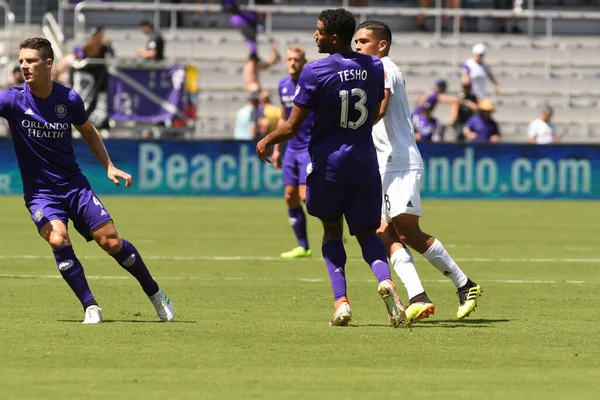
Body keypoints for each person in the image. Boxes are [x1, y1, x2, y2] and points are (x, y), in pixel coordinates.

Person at [0, 38, 174, 324]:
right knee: (58, 238)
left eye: (30, 60)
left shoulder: (68, 99)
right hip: (41, 194)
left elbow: (89, 132)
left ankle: (154, 292)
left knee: (110, 241)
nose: (24, 66)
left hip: (74, 187)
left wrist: (108, 165)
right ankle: (90, 306)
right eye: (21, 61)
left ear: (47, 63)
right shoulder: (12, 100)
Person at [257, 9, 404, 328]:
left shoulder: (315, 71)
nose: (315, 35)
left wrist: (267, 138)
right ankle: (386, 282)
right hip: (365, 164)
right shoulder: (375, 66)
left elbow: (293, 126)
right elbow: (378, 106)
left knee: (332, 231)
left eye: (319, 31)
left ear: (333, 38)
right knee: (367, 233)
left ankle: (342, 303)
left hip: (328, 166)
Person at [354, 20, 482, 322]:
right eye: (356, 41)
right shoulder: (374, 70)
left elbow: (381, 108)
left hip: (400, 163)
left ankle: (466, 284)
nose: (357, 46)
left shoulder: (384, 67)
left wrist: (351, 128)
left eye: (363, 41)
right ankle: (418, 297)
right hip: (385, 164)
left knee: (407, 230)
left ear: (381, 44)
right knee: (384, 231)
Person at [272, 46, 313, 259]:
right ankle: (303, 246)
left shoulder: (312, 83)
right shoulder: (283, 85)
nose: (292, 63)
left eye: (296, 59)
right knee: (290, 196)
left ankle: (335, 222)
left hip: (309, 148)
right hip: (291, 148)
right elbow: (282, 117)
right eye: (289, 59)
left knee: (306, 196)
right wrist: (278, 147)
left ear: (304, 61)